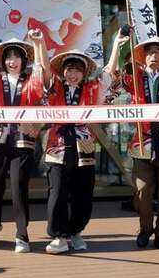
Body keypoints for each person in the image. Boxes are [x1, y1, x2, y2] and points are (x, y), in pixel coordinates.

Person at [107, 0, 159, 250]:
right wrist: (122, 42)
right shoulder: (134, 75)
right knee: (143, 191)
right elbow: (115, 74)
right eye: (149, 51)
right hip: (142, 142)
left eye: (158, 51)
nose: (153, 55)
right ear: (142, 56)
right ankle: (145, 228)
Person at [37, 44, 116, 254]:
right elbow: (44, 68)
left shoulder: (92, 90)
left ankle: (76, 232)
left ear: (84, 73)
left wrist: (117, 42)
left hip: (85, 147)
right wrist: (39, 43)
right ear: (63, 72)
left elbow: (108, 73)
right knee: (57, 193)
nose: (73, 74)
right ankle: (59, 236)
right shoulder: (55, 87)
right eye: (69, 70)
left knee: (83, 193)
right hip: (58, 145)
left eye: (77, 70)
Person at [0, 31, 46, 253]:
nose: (12, 61)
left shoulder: (30, 80)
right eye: (8, 57)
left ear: (23, 60)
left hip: (22, 139)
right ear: (3, 61)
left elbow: (42, 79)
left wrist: (38, 45)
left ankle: (22, 234)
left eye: (17, 57)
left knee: (19, 187)